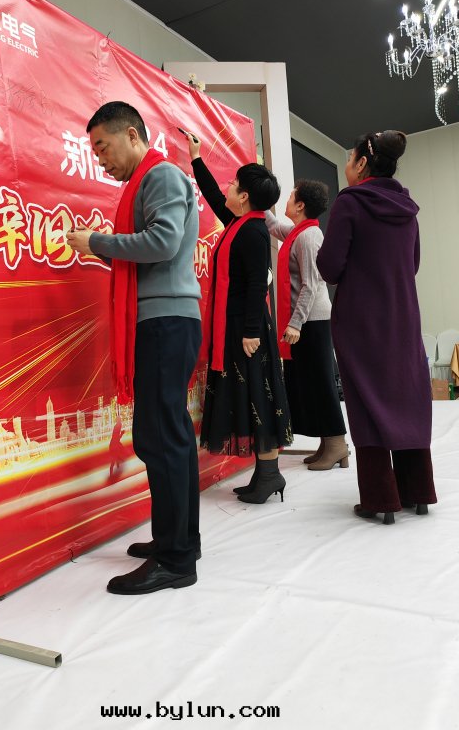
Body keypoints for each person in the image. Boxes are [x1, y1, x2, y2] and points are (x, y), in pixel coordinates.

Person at [66, 101, 202, 593]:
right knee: (166, 436)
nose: (101, 159)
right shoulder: (149, 180)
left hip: (165, 322)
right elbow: (153, 249)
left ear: (131, 134)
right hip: (166, 319)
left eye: (103, 147)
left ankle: (175, 559)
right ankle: (179, 540)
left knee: (160, 438)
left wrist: (98, 243)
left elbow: (162, 243)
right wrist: (104, 246)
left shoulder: (160, 176)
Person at [316, 130, 437, 524]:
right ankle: (418, 491)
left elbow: (330, 266)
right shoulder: (407, 209)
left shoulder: (350, 202)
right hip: (403, 314)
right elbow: (412, 264)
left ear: (363, 163)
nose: (347, 165)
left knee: (366, 398)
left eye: (350, 159)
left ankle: (380, 498)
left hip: (360, 317)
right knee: (407, 394)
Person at [186, 133, 292, 504]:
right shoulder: (239, 223)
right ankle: (266, 473)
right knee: (250, 394)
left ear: (244, 196)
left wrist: (249, 332)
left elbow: (256, 284)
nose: (228, 187)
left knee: (258, 395)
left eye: (233, 183)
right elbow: (214, 197)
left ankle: (270, 473)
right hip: (236, 325)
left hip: (247, 329)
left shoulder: (253, 232)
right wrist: (196, 158)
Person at [265, 180, 348, 470]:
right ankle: (328, 443)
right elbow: (273, 225)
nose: (286, 200)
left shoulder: (309, 236)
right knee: (311, 383)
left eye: (290, 197)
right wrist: (259, 197)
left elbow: (311, 285)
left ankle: (337, 444)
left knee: (321, 382)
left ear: (300, 205)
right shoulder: (298, 232)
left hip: (312, 321)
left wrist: (296, 324)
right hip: (306, 320)